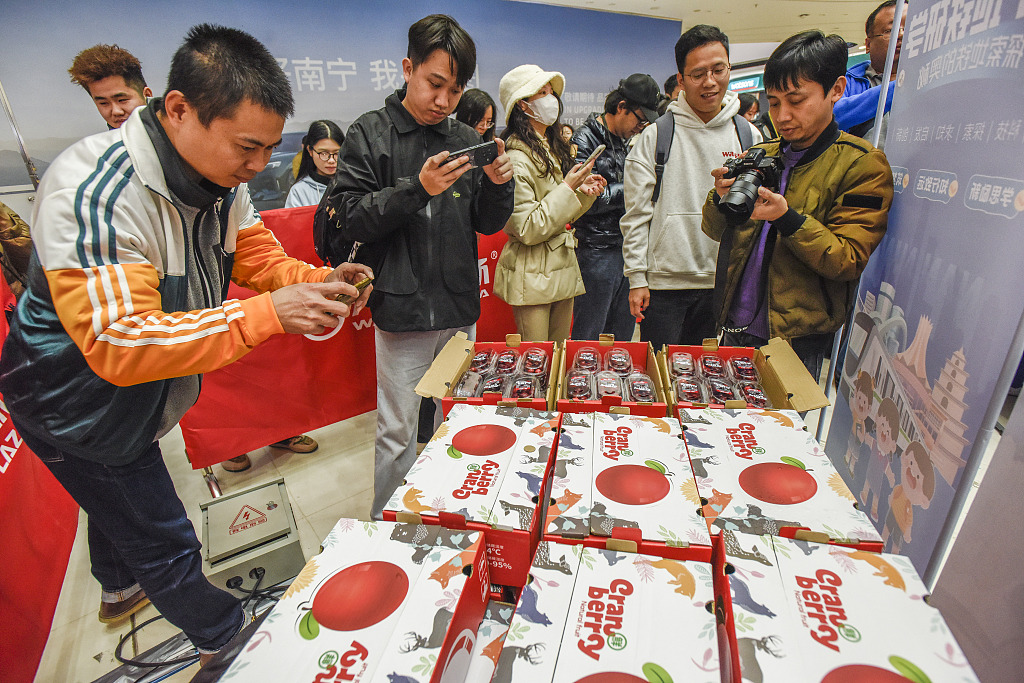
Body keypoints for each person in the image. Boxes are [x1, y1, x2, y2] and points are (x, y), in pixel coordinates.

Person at [0, 24, 372, 659]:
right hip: (78, 406)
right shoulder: (94, 188)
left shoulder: (224, 181)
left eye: (269, 149)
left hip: (139, 398)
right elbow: (122, 343)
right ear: (178, 109)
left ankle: (117, 587)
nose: (259, 166)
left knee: (116, 510)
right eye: (247, 148)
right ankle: (230, 643)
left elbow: (256, 255)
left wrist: (314, 280)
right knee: (164, 536)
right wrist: (269, 315)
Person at [327, 15, 514, 520]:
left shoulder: (462, 135)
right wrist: (418, 188)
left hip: (457, 304)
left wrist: (499, 183)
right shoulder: (372, 132)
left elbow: (488, 221)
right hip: (403, 306)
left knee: (458, 419)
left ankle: (455, 511)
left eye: (455, 90)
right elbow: (349, 217)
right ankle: (388, 526)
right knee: (397, 430)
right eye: (435, 84)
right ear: (408, 68)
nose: (444, 101)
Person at [702, 29, 893, 383]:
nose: (783, 115)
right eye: (774, 102)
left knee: (778, 435)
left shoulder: (862, 165)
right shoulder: (764, 153)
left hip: (796, 339)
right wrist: (719, 197)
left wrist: (787, 219)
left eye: (796, 100)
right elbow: (715, 231)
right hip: (733, 323)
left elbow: (847, 259)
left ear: (836, 89)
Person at [620, 25, 762, 352]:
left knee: (705, 381)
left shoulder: (747, 135)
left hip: (722, 284)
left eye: (718, 70)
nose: (710, 82)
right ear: (681, 80)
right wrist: (637, 279)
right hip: (663, 287)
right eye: (698, 74)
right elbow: (636, 216)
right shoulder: (656, 136)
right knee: (661, 376)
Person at [494, 64, 605, 342]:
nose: (551, 99)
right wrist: (568, 188)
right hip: (532, 273)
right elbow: (528, 227)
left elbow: (560, 214)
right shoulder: (516, 158)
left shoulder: (549, 148)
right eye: (541, 93)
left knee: (559, 355)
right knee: (537, 362)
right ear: (522, 105)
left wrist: (583, 192)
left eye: (551, 92)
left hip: (560, 266)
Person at [570, 74, 659, 342]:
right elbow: (587, 199)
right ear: (621, 106)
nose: (640, 127)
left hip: (627, 250)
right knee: (589, 335)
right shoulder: (584, 139)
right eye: (639, 120)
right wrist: (635, 188)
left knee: (622, 337)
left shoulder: (625, 141)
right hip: (596, 252)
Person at [835, 0, 905, 145]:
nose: (902, 35)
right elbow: (834, 117)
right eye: (890, 30)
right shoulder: (848, 82)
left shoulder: (933, 78)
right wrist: (900, 85)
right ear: (868, 45)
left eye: (911, 28)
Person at [68, 44, 153, 129]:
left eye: (122, 100)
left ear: (147, 95)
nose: (116, 112)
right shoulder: (99, 142)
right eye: (104, 103)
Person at [285, 119, 345, 208]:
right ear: (310, 151)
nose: (331, 160)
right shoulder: (299, 191)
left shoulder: (352, 185)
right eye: (324, 153)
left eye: (337, 153)